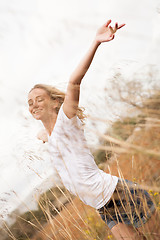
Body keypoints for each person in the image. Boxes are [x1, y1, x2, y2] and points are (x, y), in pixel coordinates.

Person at [28, 20, 157, 240]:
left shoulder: (66, 122)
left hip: (117, 192)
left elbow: (74, 82)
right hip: (102, 206)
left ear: (54, 102)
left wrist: (95, 42)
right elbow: (48, 137)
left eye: (39, 99)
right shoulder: (51, 135)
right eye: (30, 103)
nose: (34, 105)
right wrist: (42, 137)